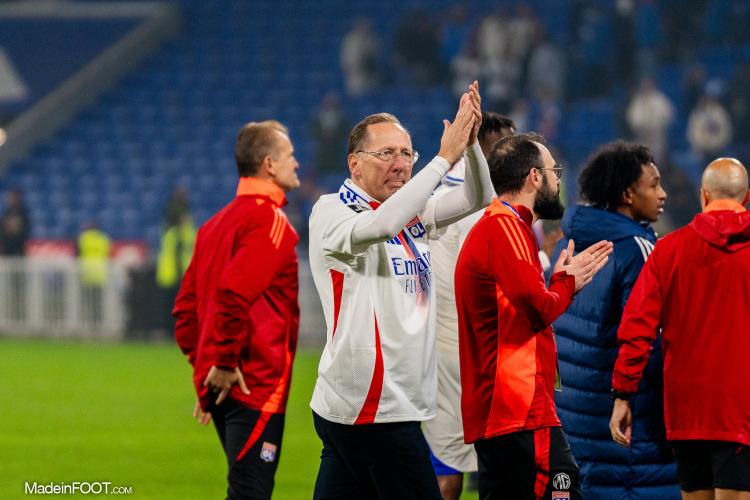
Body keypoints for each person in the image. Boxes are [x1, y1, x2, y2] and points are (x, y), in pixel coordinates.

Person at [308, 82, 493, 498]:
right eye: (386, 153)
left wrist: (472, 143)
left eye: (407, 153)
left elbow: (480, 196)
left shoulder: (415, 213)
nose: (401, 163)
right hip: (375, 410)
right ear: (354, 164)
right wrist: (445, 158)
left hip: (377, 406)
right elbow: (382, 225)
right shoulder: (331, 210)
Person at [455, 133, 613, 500]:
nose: (559, 179)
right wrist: (566, 284)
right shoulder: (504, 226)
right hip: (517, 408)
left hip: (502, 410)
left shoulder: (504, 227)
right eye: (553, 170)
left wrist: (559, 282)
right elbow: (538, 308)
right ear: (534, 177)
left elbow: (528, 305)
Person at [173, 120, 301, 500]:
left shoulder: (213, 225)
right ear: (269, 165)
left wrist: (209, 371)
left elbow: (184, 314)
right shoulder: (271, 221)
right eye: (290, 156)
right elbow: (232, 294)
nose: (297, 163)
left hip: (226, 385)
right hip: (254, 384)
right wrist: (225, 364)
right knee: (250, 493)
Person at [610, 157, 750, 499]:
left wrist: (623, 394)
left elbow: (637, 327)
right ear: (746, 199)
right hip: (741, 409)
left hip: (687, 412)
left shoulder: (668, 251)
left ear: (703, 196)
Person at [551, 142, 678, 499]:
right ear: (627, 193)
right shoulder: (637, 249)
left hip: (576, 418)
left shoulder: (568, 244)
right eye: (653, 185)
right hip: (627, 428)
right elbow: (647, 337)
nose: (663, 193)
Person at [423, 111, 515, 500]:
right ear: (488, 146)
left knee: (448, 462)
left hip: (439, 347)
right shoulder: (473, 201)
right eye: (510, 145)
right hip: (473, 348)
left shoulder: (434, 194)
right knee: (484, 464)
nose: (518, 152)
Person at [78, 221, 112, 325]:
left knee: (87, 301)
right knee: (98, 302)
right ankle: (98, 322)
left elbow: (77, 255)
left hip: (86, 273)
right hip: (100, 274)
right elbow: (109, 255)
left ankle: (87, 322)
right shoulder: (104, 239)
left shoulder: (83, 238)